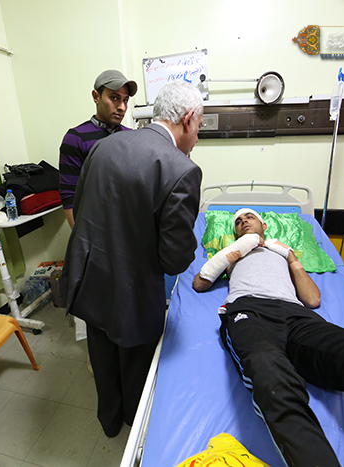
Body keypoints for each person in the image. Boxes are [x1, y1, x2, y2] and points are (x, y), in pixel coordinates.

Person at [192, 208, 344, 467]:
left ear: (264, 225)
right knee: (272, 376)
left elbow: (312, 299)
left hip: (297, 317)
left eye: (249, 217)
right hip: (249, 312)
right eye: (238, 221)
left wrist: (289, 255)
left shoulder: (280, 252)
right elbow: (200, 283)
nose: (244, 221)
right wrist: (239, 247)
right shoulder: (233, 252)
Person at [61, 80, 204, 437]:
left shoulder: (104, 146)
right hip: (133, 293)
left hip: (92, 280)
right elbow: (174, 260)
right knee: (136, 368)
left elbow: (82, 208)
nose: (197, 138)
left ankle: (109, 423)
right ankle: (134, 428)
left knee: (103, 361)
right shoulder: (181, 169)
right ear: (188, 119)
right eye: (199, 127)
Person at [58, 69, 137, 228]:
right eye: (114, 98)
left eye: (125, 100)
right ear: (96, 97)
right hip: (95, 226)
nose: (122, 107)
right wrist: (81, 237)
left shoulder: (132, 136)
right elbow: (69, 195)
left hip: (130, 223)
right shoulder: (75, 138)